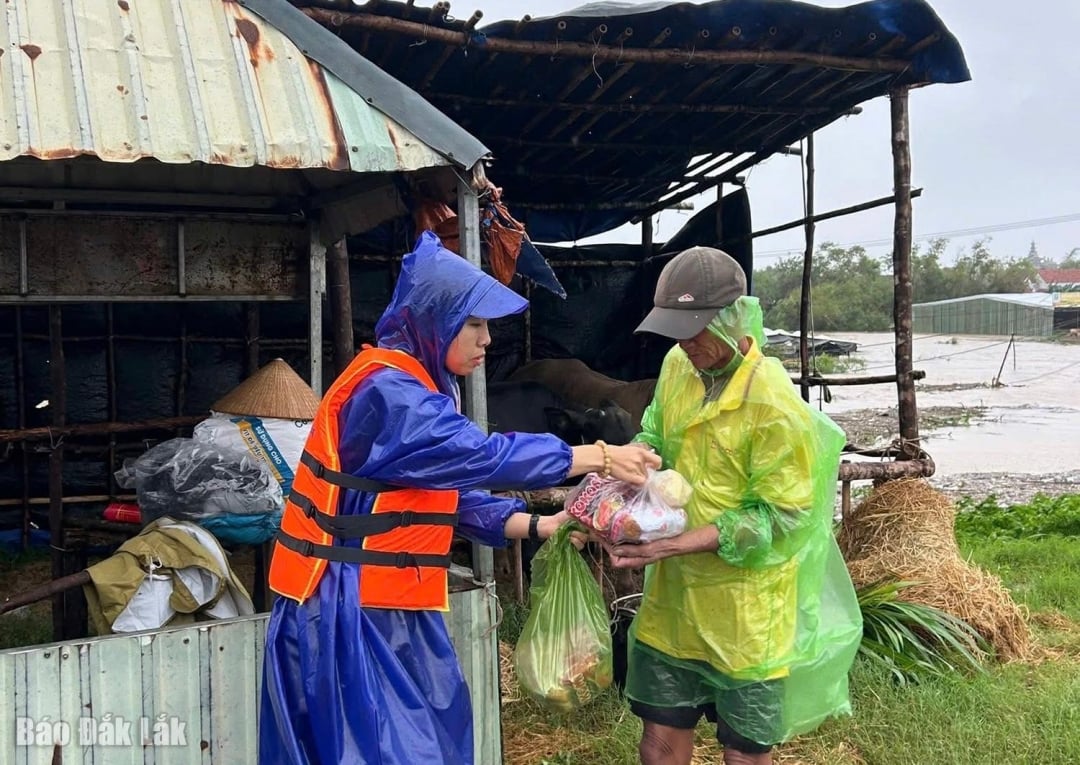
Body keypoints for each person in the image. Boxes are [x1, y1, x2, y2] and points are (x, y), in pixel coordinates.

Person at [258, 231, 660, 765]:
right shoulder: (388, 393)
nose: (487, 340)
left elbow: (448, 495)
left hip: (389, 602)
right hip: (345, 611)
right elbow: (480, 456)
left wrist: (544, 524)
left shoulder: (417, 384)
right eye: (473, 324)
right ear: (434, 321)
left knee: (435, 734)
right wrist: (600, 457)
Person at [603, 246, 862, 765]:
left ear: (734, 315)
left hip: (745, 614)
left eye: (696, 327)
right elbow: (655, 434)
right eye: (676, 327)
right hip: (673, 603)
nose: (685, 341)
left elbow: (783, 518)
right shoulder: (678, 365)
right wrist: (624, 489)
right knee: (659, 738)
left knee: (742, 753)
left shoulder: (772, 403)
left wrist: (674, 545)